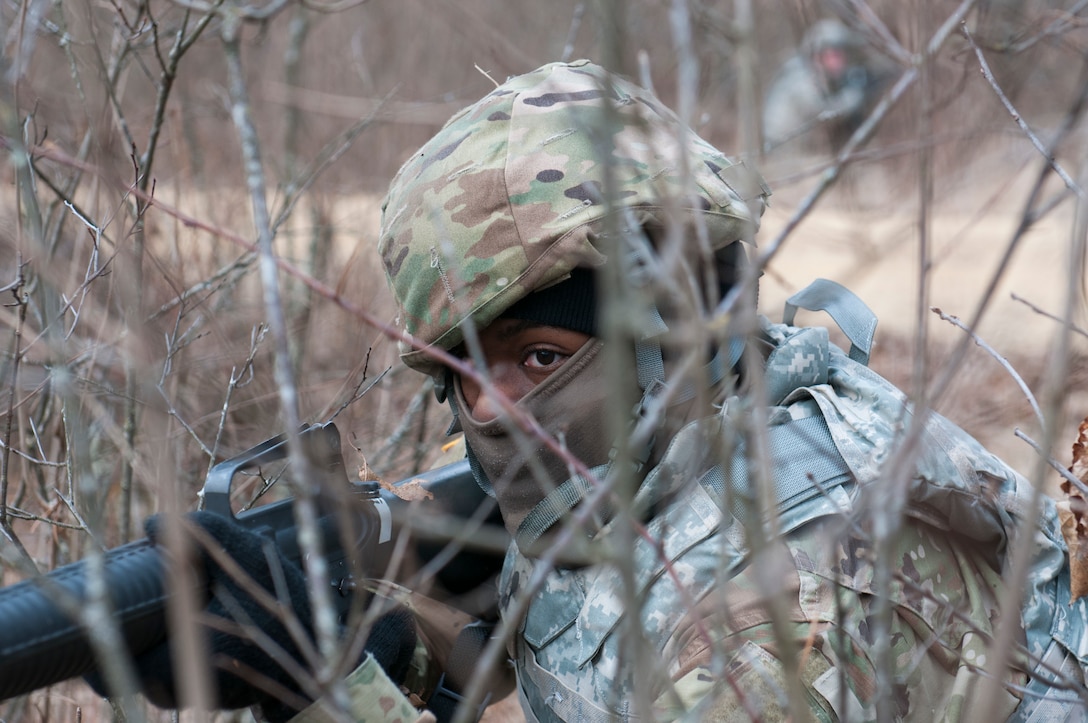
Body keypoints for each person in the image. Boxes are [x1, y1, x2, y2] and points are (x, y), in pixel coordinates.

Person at [94, 61, 1087, 722]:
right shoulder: (722, 415)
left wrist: (329, 690)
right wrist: (410, 642)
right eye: (457, 372)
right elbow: (576, 598)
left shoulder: (778, 603)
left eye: (536, 359)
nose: (486, 415)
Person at [762, 18, 888, 154]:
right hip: (788, 156)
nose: (840, 61)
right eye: (834, 55)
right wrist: (854, 97)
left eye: (841, 54)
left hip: (805, 150)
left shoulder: (818, 75)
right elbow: (826, 114)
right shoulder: (799, 77)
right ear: (817, 56)